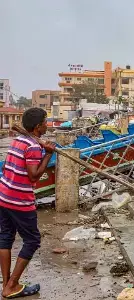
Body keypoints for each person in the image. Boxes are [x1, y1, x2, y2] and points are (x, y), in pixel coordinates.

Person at [0, 108, 56, 298]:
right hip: (20, 201)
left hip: (4, 196)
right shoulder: (32, 146)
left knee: (6, 238)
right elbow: (33, 176)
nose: (47, 124)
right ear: (38, 126)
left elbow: (8, 167)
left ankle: (7, 285)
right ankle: (12, 285)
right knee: (32, 240)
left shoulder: (18, 140)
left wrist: (43, 149)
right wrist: (48, 154)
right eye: (45, 121)